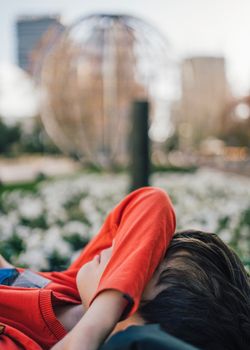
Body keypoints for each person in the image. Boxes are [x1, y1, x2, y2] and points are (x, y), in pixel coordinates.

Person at [0, 187, 176, 350]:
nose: (117, 248)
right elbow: (152, 201)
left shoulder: (21, 342)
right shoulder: (75, 288)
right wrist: (92, 325)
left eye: (130, 269)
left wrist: (93, 328)